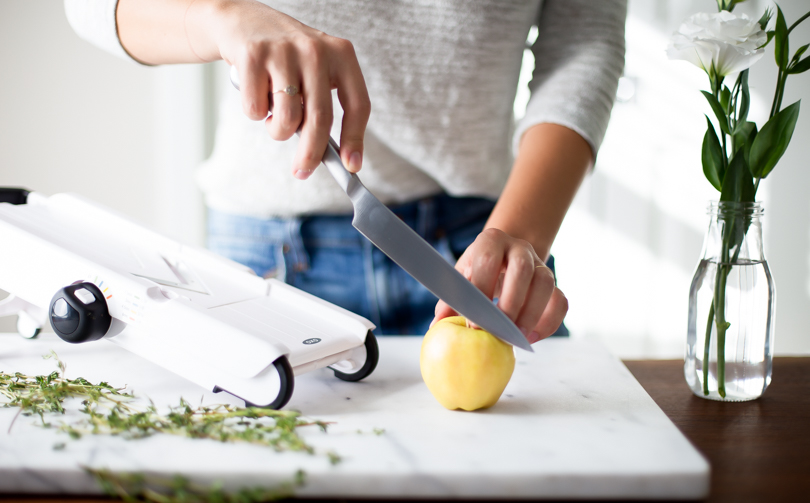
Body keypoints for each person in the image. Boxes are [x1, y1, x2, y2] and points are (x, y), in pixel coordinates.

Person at [64, 0, 626, 343]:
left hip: (479, 259)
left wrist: (522, 234)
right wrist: (220, 19)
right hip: (270, 267)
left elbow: (585, 46)